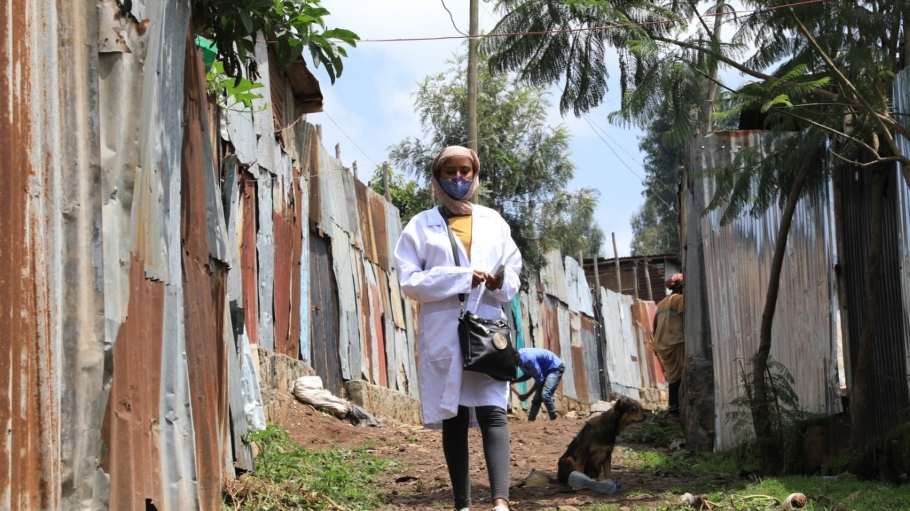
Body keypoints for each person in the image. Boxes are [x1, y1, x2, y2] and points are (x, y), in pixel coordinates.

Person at [394, 146, 522, 511]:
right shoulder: (420, 225)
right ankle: (462, 505)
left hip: (486, 328)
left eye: (465, 170)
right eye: (449, 171)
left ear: (475, 174)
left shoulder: (494, 221)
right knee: (454, 415)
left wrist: (501, 283)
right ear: (437, 177)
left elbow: (513, 269)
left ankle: (500, 502)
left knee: (493, 410)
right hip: (445, 333)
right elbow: (410, 282)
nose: (458, 178)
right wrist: (462, 277)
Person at [652, 273, 685, 415]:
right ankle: (676, 406)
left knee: (672, 375)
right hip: (676, 340)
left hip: (663, 343)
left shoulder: (662, 303)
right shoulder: (680, 300)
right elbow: (685, 319)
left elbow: (655, 324)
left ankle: (672, 406)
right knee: (680, 374)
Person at [512, 347, 565, 421]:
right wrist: (513, 381)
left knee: (545, 395)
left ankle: (554, 418)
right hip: (544, 371)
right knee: (536, 400)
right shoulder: (520, 360)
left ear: (516, 357)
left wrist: (527, 395)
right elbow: (528, 375)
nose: (511, 363)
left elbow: (539, 379)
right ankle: (530, 421)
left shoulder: (528, 359)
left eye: (511, 361)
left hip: (555, 367)